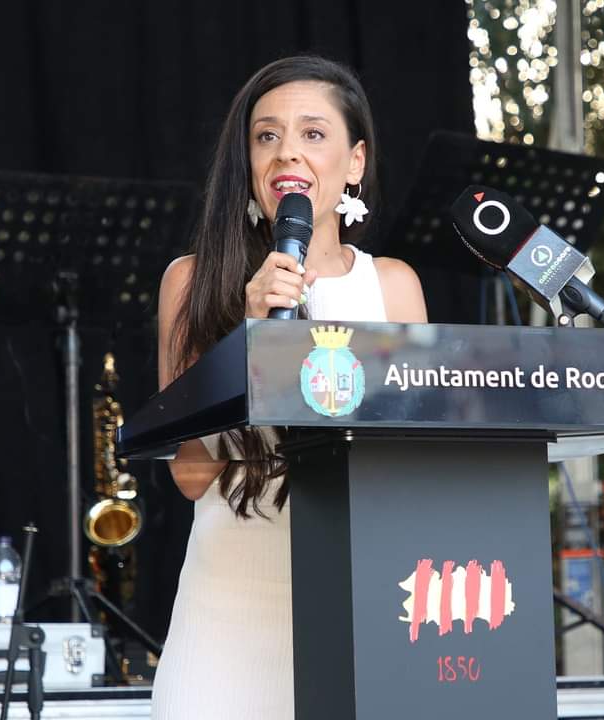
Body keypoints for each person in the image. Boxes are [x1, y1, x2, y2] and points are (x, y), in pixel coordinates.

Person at [151, 56, 427, 719]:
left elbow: (419, 466)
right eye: (266, 136)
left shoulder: (392, 286)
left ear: (354, 161)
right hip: (228, 611)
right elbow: (191, 476)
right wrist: (247, 341)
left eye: (312, 133)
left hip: (361, 605)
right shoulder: (194, 282)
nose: (286, 154)